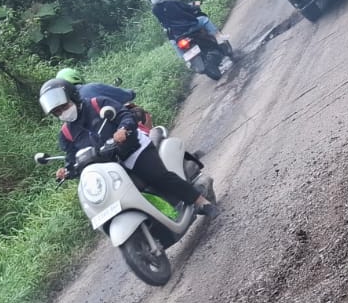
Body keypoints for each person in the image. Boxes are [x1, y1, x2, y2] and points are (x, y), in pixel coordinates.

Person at [39, 77, 220, 217]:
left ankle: (201, 202)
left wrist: (123, 129)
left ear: (74, 97)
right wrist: (67, 171)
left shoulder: (97, 103)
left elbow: (125, 115)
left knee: (158, 176)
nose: (63, 113)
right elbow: (73, 159)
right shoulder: (66, 134)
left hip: (133, 150)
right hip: (110, 168)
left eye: (64, 107)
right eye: (58, 112)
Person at [53, 69, 151, 131]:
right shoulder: (91, 88)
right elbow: (125, 95)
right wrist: (131, 93)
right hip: (115, 128)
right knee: (139, 112)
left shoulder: (65, 111)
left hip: (94, 143)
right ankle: (152, 142)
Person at [148, 0, 221, 63]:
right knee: (204, 20)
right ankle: (219, 38)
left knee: (174, 43)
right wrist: (197, 4)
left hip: (178, 33)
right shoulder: (172, 2)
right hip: (191, 26)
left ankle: (187, 61)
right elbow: (188, 8)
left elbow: (163, 22)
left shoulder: (155, 10)